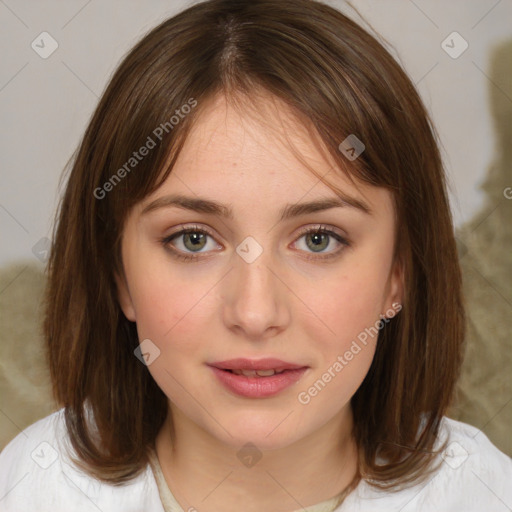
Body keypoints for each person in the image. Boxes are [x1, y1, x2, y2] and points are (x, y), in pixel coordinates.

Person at [1, 0, 510, 510]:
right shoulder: (29, 489)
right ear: (119, 275)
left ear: (398, 275)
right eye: (193, 239)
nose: (255, 313)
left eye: (319, 239)